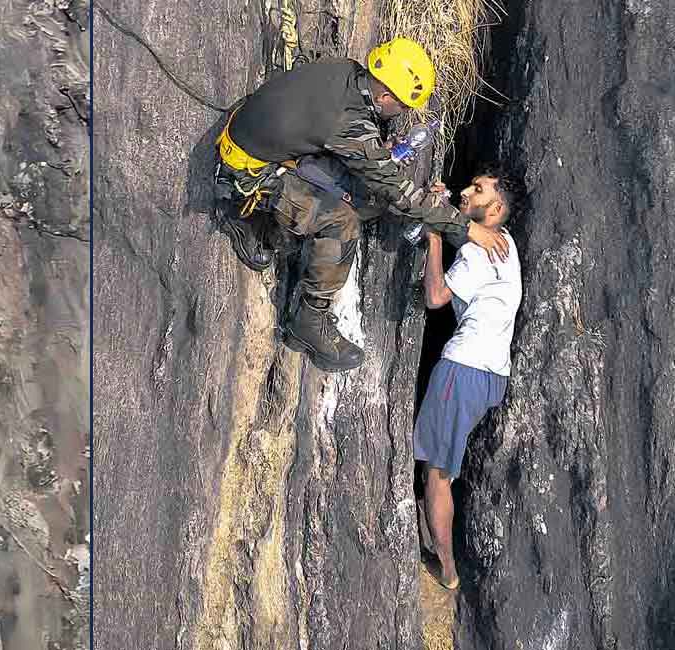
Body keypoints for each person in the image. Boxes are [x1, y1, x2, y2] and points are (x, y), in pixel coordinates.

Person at [213, 37, 509, 371]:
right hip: (249, 172)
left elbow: (340, 135)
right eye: (403, 106)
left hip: (261, 136)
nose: (404, 113)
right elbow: (398, 192)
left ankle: (269, 225)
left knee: (365, 196)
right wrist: (467, 228)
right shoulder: (349, 124)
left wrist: (375, 153)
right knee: (342, 223)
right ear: (385, 97)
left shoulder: (345, 70)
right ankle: (306, 319)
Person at [413, 167, 523, 590]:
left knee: (437, 473)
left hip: (463, 370)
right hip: (493, 376)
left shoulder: (477, 255)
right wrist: (445, 209)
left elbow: (435, 296)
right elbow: (469, 239)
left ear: (495, 209)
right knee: (446, 460)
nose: (466, 191)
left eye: (477, 190)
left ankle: (447, 569)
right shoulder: (505, 243)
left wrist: (433, 236)